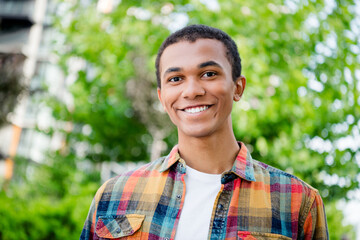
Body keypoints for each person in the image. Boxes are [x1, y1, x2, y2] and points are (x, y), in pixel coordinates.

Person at [80, 24, 328, 240]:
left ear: (237, 88)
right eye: (175, 79)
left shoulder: (297, 202)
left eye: (209, 74)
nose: (192, 91)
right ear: (162, 97)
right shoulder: (114, 195)